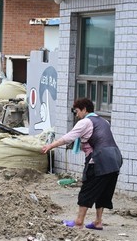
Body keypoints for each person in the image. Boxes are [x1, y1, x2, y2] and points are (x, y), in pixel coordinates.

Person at [41, 98, 122, 230]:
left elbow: (68, 138)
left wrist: (50, 146)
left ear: (84, 109)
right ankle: (98, 221)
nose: (76, 115)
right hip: (115, 159)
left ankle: (79, 221)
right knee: (102, 191)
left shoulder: (85, 122)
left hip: (99, 160)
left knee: (87, 190)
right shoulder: (104, 121)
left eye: (77, 111)